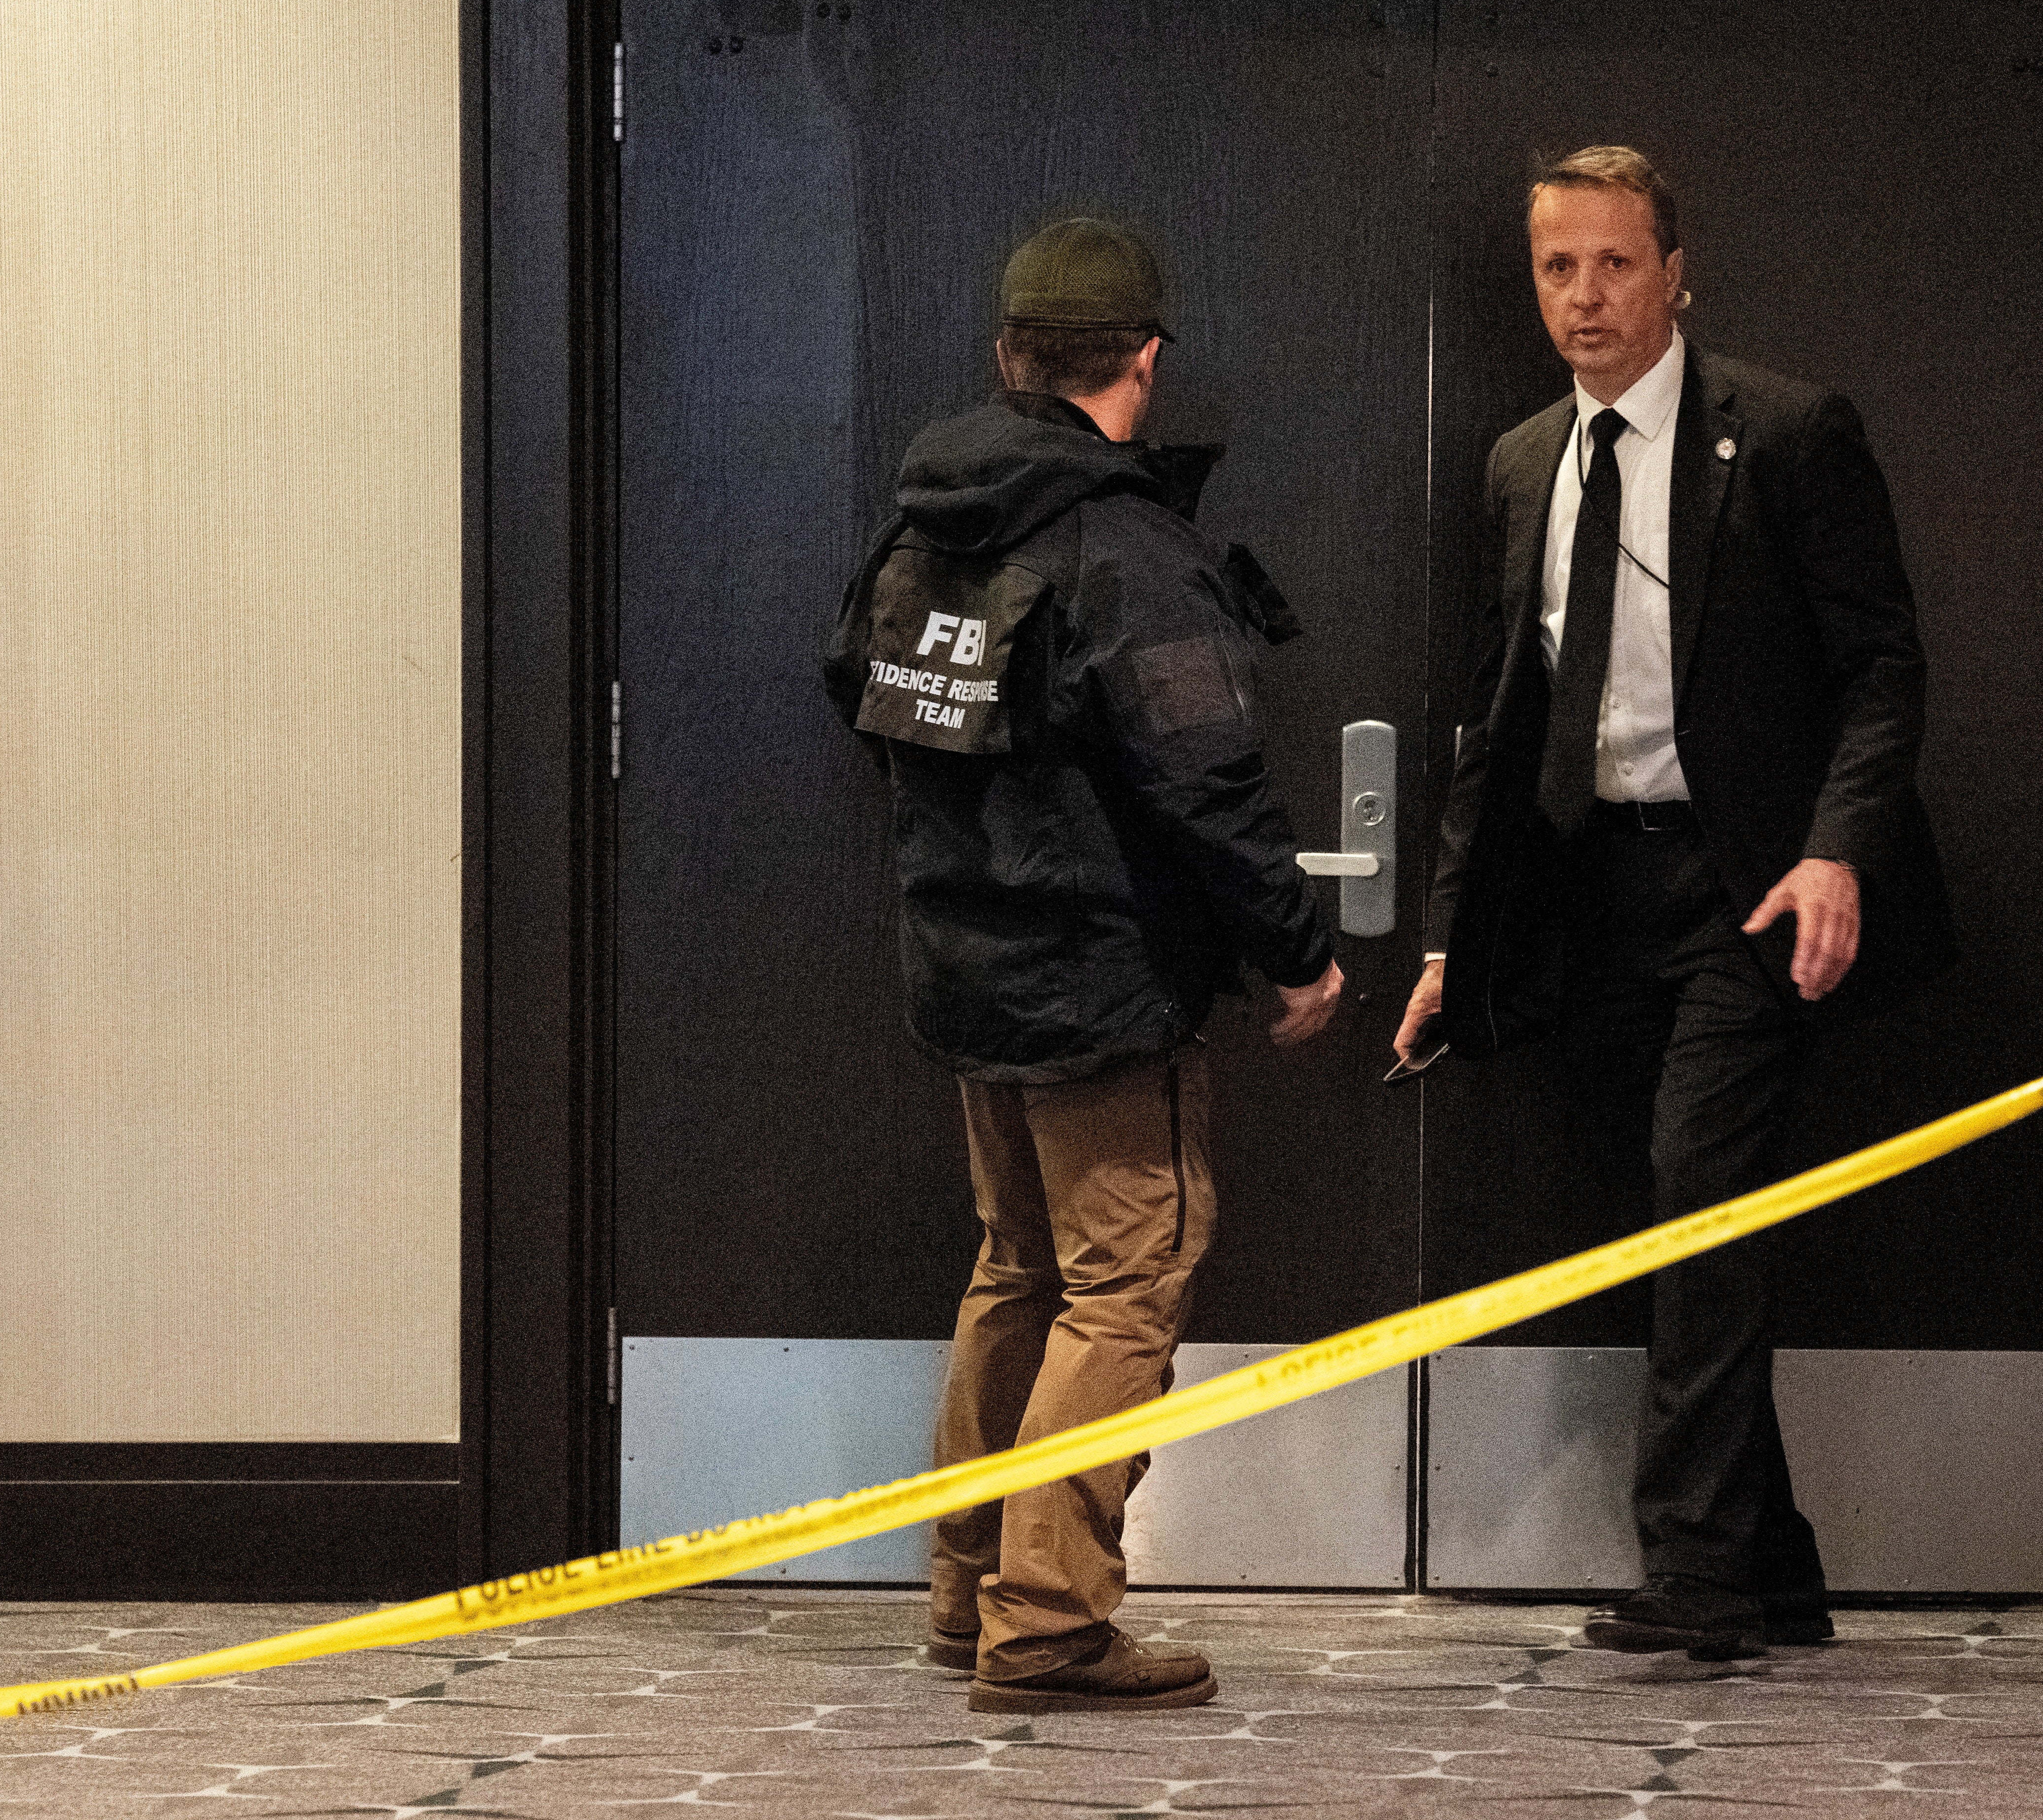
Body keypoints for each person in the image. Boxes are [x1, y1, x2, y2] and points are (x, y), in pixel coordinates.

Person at [1396, 147, 1952, 1660]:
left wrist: (1839, 848)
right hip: (1594, 890)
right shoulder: (1525, 462)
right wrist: (1456, 933)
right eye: (1558, 268)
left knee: (1700, 1212)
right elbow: (1497, 719)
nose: (1585, 297)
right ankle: (1774, 1569)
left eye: (1615, 265)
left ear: (1676, 270)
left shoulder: (1780, 433)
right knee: (1673, 1215)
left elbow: (1883, 668)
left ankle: (1698, 1573)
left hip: (1749, 887)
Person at [825, 217, 1342, 1713]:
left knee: (1016, 1270)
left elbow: (853, 684)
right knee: (1125, 1285)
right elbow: (1209, 778)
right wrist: (1295, 956)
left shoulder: (926, 521)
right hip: (1104, 984)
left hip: (968, 964)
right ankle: (1047, 1622)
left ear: (1009, 358)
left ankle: (964, 1593)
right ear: (1147, 360)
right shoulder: (1120, 544)